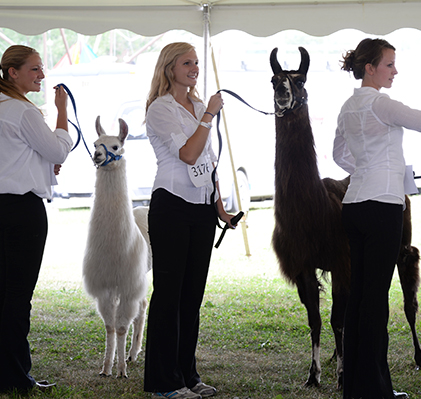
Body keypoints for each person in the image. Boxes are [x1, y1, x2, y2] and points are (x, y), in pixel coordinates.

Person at [333, 38, 421, 399]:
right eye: (389, 64)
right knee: (374, 300)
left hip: (353, 206)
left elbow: (339, 155)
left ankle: (355, 385)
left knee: (358, 299)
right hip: (382, 207)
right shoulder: (382, 104)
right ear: (370, 68)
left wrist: (372, 168)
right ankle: (375, 389)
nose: (395, 71)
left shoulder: (348, 107)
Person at [0, 44, 72, 393]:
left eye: (42, 68)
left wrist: (43, 162)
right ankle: (15, 376)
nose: (42, 76)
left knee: (3, 291)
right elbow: (59, 148)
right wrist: (61, 112)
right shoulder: (23, 111)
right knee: (17, 295)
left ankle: (0, 375)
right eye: (35, 69)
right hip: (21, 209)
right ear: (12, 73)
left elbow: (9, 158)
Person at [143, 42, 237, 399]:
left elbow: (207, 165)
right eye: (187, 63)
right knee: (168, 296)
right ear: (170, 68)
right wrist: (208, 117)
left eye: (196, 62)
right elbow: (188, 153)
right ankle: (163, 383)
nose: (194, 68)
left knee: (191, 297)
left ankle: (186, 374)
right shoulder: (160, 109)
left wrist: (220, 208)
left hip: (200, 209)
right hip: (171, 205)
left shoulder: (197, 106)